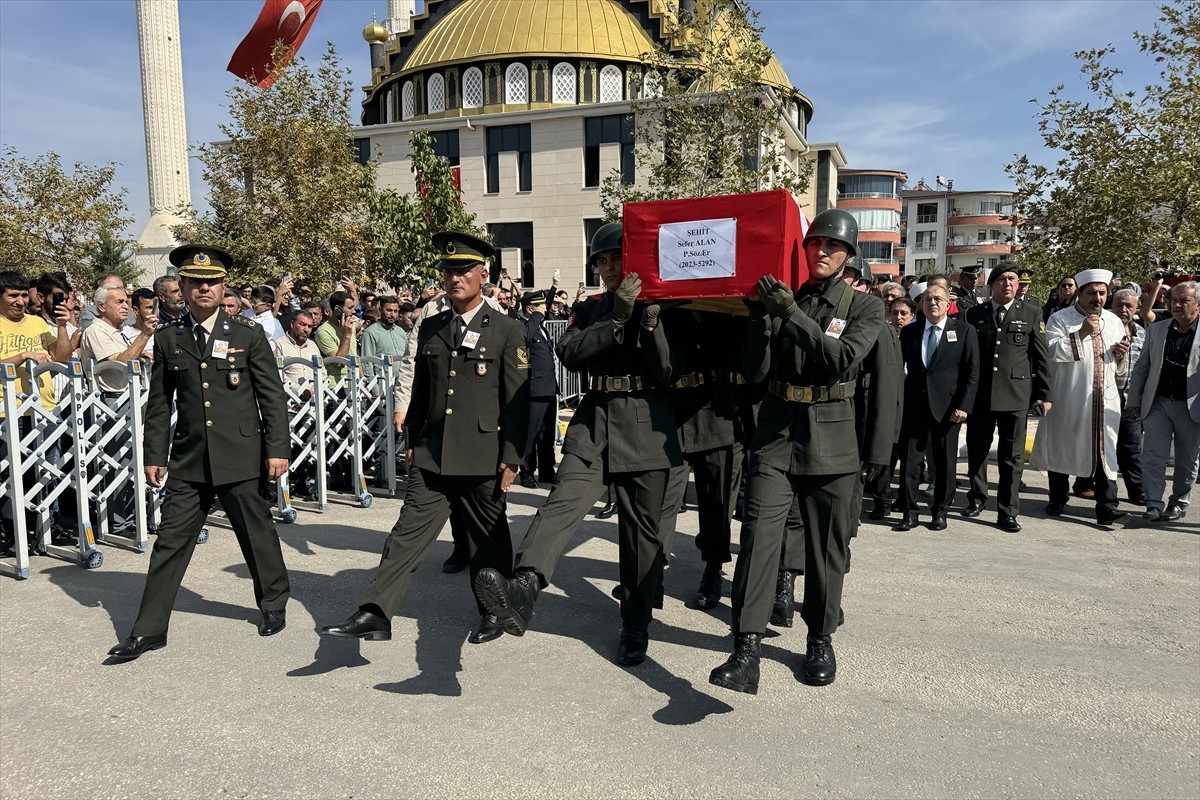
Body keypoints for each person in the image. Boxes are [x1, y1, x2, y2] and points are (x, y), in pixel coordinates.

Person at [474, 221, 681, 667]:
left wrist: (648, 321)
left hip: (647, 421)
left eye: (615, 259)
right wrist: (618, 316)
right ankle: (523, 586)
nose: (608, 269)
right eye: (601, 262)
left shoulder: (663, 305)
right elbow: (570, 351)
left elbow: (666, 371)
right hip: (596, 419)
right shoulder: (590, 309)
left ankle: (636, 622)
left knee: (641, 535)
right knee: (561, 503)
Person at [320, 231, 529, 645]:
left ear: (482, 275)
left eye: (464, 270)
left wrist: (512, 455)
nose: (455, 278)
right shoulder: (431, 325)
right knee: (406, 534)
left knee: (487, 536)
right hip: (433, 453)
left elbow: (517, 401)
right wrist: (413, 439)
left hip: (482, 453)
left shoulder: (506, 329)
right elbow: (424, 390)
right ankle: (376, 611)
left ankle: (494, 610)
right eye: (449, 271)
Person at [709, 208, 884, 693]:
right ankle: (745, 650)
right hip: (778, 434)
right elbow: (758, 372)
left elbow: (842, 359)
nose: (821, 251)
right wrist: (758, 321)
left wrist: (790, 314)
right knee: (758, 543)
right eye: (814, 244)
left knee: (826, 549)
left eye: (832, 245)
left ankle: (820, 639)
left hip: (831, 439)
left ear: (849, 254)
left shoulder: (864, 308)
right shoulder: (787, 298)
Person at [106, 245, 292, 661]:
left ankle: (273, 603)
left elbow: (272, 397)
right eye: (194, 281)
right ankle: (148, 630)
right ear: (182, 288)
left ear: (223, 286)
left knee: (256, 533)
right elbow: (159, 404)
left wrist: (277, 449)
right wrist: (154, 455)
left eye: (211, 281)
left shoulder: (247, 334)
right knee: (170, 542)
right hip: (189, 459)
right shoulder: (170, 338)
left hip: (242, 454)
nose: (203, 287)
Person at [1030, 269, 1130, 525]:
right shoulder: (1061, 319)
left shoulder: (1114, 320)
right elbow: (1050, 352)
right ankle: (1057, 498)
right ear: (1080, 293)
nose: (1098, 298)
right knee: (1063, 446)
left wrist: (1120, 355)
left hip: (1104, 400)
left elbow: (1120, 365)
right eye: (1092, 293)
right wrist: (1081, 333)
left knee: (1105, 451)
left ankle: (1107, 506)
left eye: (1102, 293)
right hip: (1069, 397)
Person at [963, 264, 1052, 533]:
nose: (1008, 284)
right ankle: (977, 498)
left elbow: (1040, 357)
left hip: (1015, 395)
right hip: (981, 396)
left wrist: (1044, 394)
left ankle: (1008, 511)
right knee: (977, 450)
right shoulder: (973, 314)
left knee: (1011, 458)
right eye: (1002, 279)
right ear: (991, 285)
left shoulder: (1032, 313)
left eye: (1012, 279)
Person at [895, 283, 980, 531]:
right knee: (910, 463)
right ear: (920, 305)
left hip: (948, 408)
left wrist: (964, 405)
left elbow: (972, 372)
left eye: (938, 299)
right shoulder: (911, 332)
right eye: (927, 299)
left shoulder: (964, 331)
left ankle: (940, 512)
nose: (933, 303)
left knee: (944, 465)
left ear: (947, 304)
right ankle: (909, 513)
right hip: (914, 407)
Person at [0, 270, 74, 553]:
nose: (19, 301)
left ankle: (48, 525)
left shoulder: (36, 323)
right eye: (12, 296)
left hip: (44, 408)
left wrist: (62, 326)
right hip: (9, 410)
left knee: (48, 470)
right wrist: (21, 357)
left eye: (22, 295)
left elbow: (62, 357)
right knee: (12, 474)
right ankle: (13, 532)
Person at [1127, 281, 1199, 522]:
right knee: (1153, 456)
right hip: (1157, 402)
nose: (1176, 305)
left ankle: (1178, 502)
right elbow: (1141, 368)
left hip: (1192, 406)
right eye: (1173, 300)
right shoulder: (1158, 330)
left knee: (1187, 459)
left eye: (1183, 301)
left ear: (1197, 305)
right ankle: (1153, 504)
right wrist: (1134, 400)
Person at [518, 290, 559, 489]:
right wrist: (536, 316)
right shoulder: (524, 325)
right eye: (540, 306)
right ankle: (527, 472)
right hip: (534, 389)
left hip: (548, 388)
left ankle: (546, 470)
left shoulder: (541, 328)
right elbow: (524, 336)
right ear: (529, 309)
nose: (544, 309)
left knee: (547, 435)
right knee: (530, 435)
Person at [1110, 288, 1147, 504]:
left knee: (1132, 448)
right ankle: (1089, 486)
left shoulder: (1141, 332)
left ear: (1136, 308)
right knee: (1103, 448)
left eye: (1129, 306)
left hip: (1131, 402)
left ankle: (1137, 492)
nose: (1123, 310)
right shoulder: (1102, 329)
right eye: (1119, 305)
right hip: (1104, 399)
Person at [359, 296, 408, 384]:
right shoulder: (371, 332)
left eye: (395, 311)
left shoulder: (401, 332)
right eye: (389, 310)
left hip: (403, 383)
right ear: (380, 310)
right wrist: (374, 388)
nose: (392, 314)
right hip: (382, 384)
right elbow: (367, 362)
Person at [124, 288, 159, 362]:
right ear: (136, 310)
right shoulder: (125, 334)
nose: (155, 312)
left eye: (156, 307)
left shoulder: (165, 330)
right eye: (150, 308)